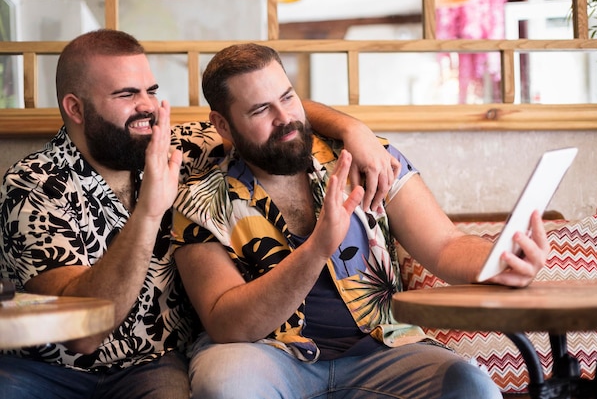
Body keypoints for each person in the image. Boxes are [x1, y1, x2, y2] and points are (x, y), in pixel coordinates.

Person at [0, 30, 398, 399]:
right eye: (126, 95)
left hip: (154, 365)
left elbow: (265, 107)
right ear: (76, 108)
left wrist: (353, 129)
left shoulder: (177, 145)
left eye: (151, 91)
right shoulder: (32, 187)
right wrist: (149, 211)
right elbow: (81, 335)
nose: (147, 106)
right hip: (47, 371)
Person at [171, 43, 551, 399]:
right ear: (222, 125)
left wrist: (500, 259)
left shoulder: (365, 158)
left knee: (472, 388)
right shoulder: (198, 202)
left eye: (288, 98)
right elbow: (227, 322)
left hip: (382, 349)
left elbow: (445, 244)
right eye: (260, 110)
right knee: (226, 386)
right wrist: (318, 247)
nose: (285, 118)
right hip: (266, 355)